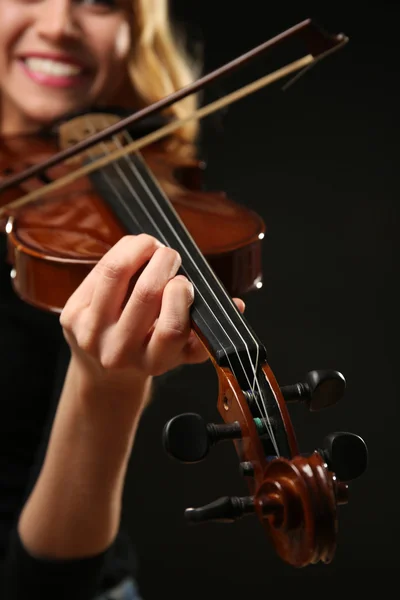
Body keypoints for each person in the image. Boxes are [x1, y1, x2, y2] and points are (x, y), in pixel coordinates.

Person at [0, 1, 245, 598]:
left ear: (136, 31)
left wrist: (107, 388)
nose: (59, 25)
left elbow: (48, 589)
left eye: (102, 1)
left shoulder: (123, 207)